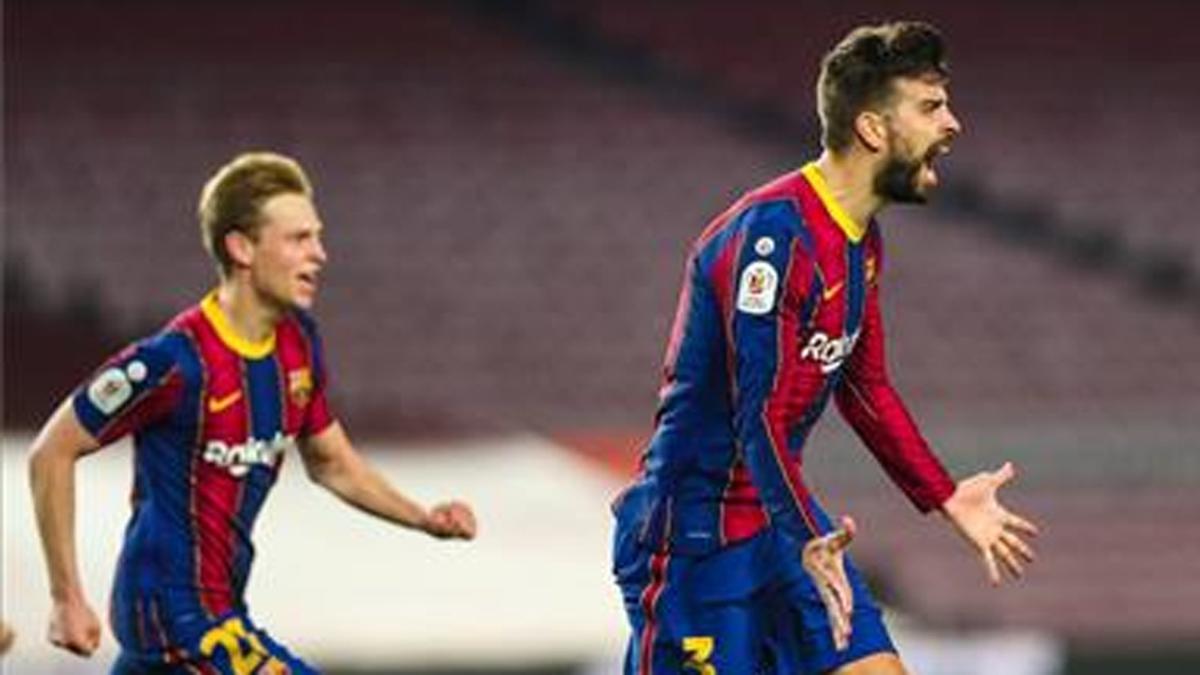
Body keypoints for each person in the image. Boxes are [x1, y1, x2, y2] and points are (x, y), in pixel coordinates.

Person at [612, 21, 1039, 675]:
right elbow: (759, 417)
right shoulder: (773, 238)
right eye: (930, 107)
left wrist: (944, 494)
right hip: (694, 541)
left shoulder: (860, 242)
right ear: (871, 128)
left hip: (781, 526)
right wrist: (807, 534)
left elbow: (866, 387)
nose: (952, 124)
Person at [28, 152, 477, 674]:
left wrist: (423, 518)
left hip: (215, 613)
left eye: (317, 236)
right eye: (298, 239)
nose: (321, 254)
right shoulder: (173, 361)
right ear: (241, 248)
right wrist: (66, 596)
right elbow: (51, 452)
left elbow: (332, 463)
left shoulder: (298, 343)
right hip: (180, 620)